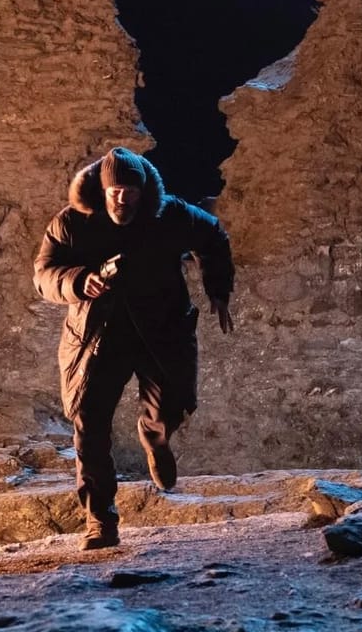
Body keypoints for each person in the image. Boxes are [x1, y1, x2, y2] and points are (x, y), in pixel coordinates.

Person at [33, 146, 235, 550]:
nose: (122, 200)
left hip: (159, 331)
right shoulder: (71, 223)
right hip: (95, 337)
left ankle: (155, 437)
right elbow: (44, 273)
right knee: (89, 425)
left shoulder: (170, 215)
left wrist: (218, 288)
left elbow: (212, 235)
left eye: (130, 192)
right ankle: (100, 520)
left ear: (144, 192)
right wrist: (79, 281)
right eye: (115, 192)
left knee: (170, 405)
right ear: (102, 191)